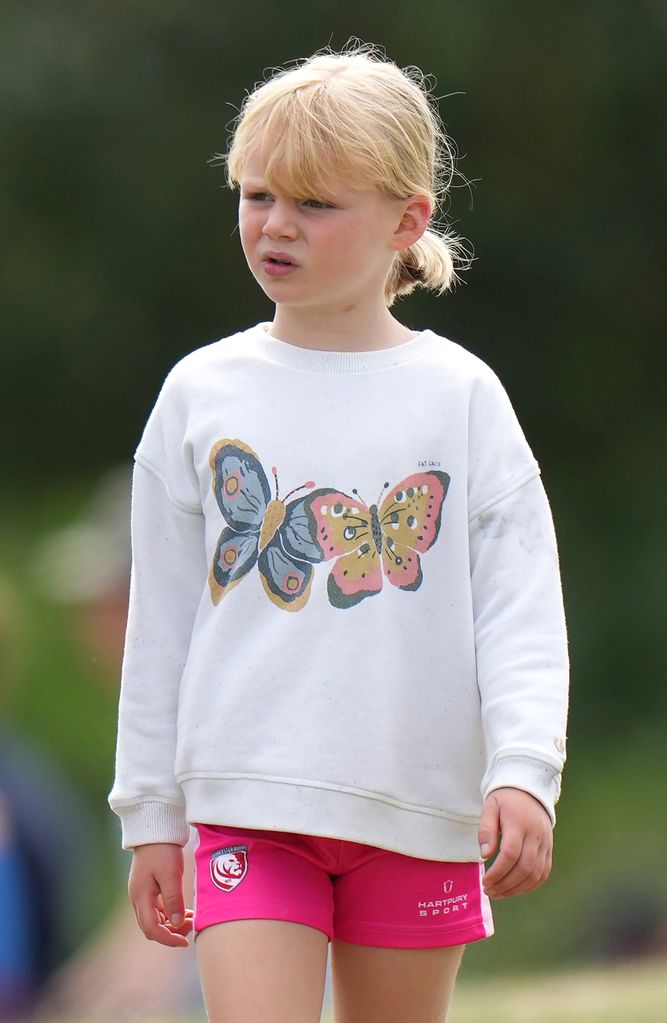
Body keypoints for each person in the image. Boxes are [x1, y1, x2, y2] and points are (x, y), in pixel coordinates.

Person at [108, 42, 569, 1023]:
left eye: (315, 204)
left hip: (417, 815)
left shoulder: (462, 399)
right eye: (257, 193)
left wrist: (523, 773)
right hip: (247, 809)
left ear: (407, 221)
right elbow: (160, 629)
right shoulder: (199, 396)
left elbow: (519, 609)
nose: (275, 224)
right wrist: (150, 815)